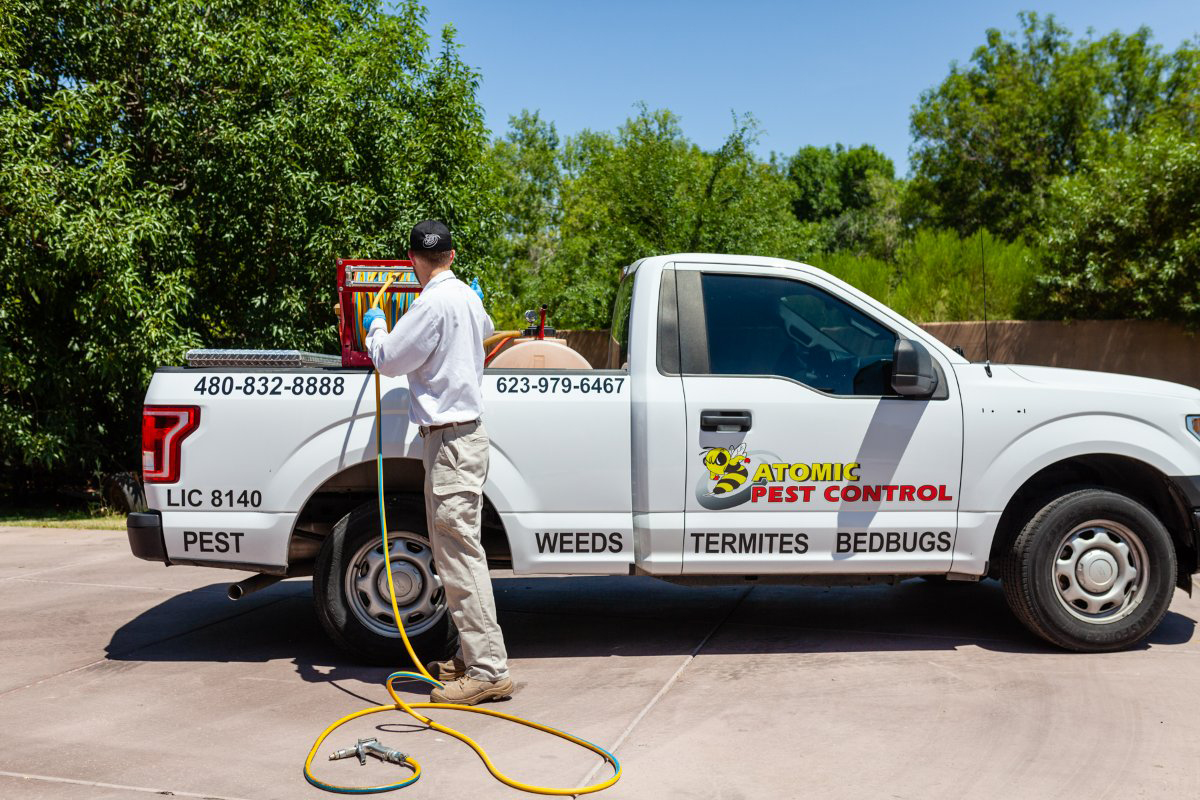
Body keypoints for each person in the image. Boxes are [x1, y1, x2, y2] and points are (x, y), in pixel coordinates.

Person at [362, 220, 514, 706]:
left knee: (458, 556)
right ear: (451, 255)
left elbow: (387, 359)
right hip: (465, 439)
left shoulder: (430, 303)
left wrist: (376, 326)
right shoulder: (467, 299)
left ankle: (489, 671)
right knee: (458, 553)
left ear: (413, 260)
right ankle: (473, 659)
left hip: (449, 442)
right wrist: (475, 299)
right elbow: (487, 330)